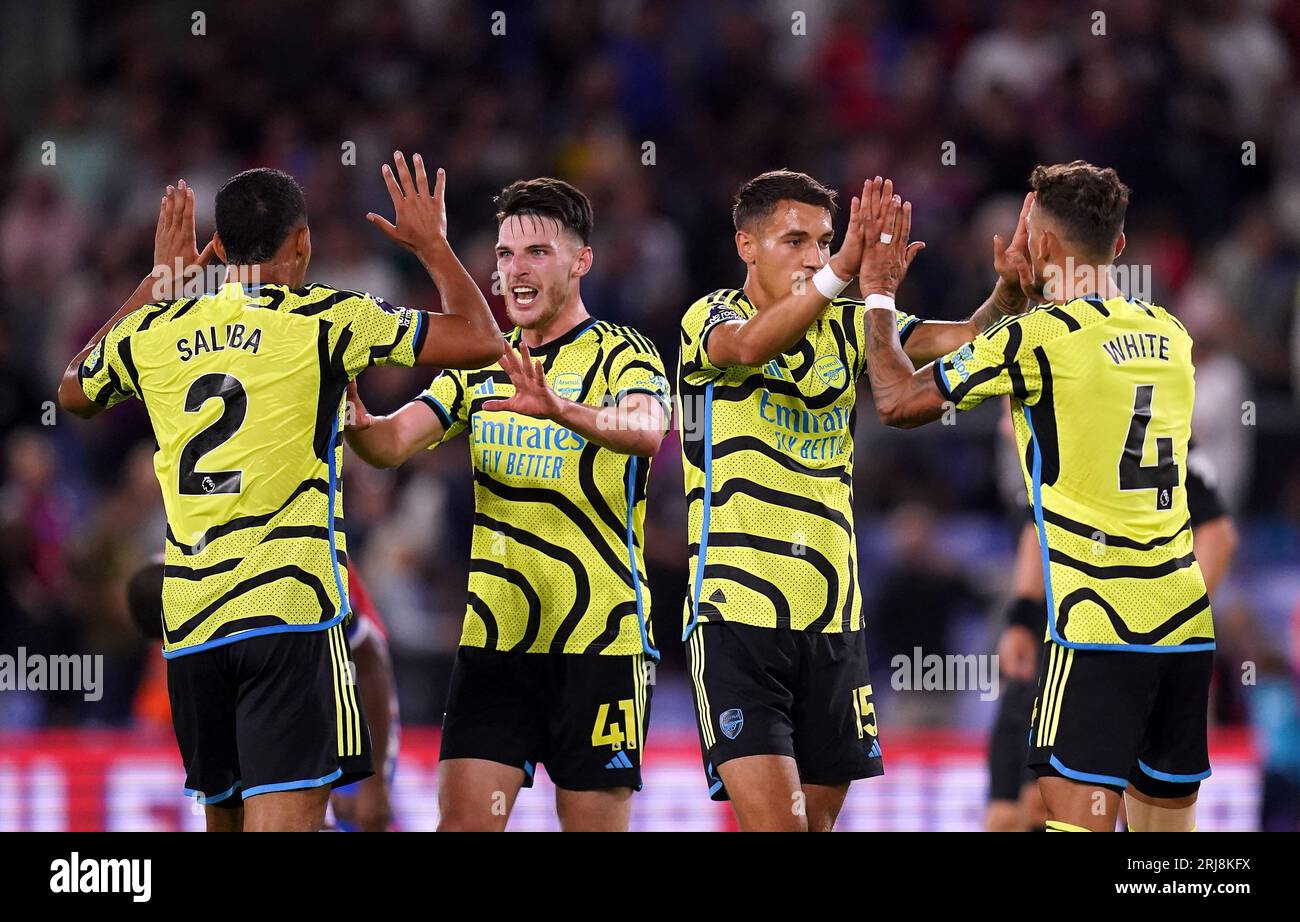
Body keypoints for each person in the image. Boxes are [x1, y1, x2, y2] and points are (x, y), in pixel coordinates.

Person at [58, 153, 502, 831]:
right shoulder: (326, 318)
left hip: (193, 625)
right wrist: (433, 246)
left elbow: (73, 389)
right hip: (286, 612)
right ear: (303, 243)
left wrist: (158, 282)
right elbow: (480, 340)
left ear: (223, 248)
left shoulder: (154, 331)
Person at [861, 161, 1216, 833]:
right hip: (1183, 626)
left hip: (1096, 627)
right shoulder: (1173, 335)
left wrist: (880, 297)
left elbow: (898, 401)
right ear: (1116, 246)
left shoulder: (1036, 339)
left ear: (1040, 245)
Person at [676, 171, 1032, 831]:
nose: (814, 254)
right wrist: (847, 268)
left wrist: (1006, 296)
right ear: (745, 246)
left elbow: (962, 339)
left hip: (834, 624)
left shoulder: (848, 324)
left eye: (826, 240)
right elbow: (750, 347)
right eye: (796, 240)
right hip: (737, 618)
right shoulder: (713, 316)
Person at [345, 178, 670, 832]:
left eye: (537, 254)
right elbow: (389, 444)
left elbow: (646, 430)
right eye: (505, 256)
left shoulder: (625, 352)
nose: (515, 271)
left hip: (600, 643)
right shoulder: (481, 367)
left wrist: (560, 409)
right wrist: (351, 412)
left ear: (581, 262)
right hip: (497, 641)